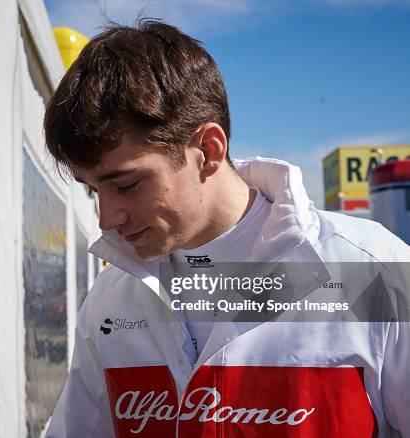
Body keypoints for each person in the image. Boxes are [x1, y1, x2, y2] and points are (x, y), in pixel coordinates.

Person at [43, 20, 410, 437]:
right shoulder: (111, 298)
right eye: (93, 191)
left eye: (127, 185)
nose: (106, 219)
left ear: (208, 151)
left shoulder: (375, 270)